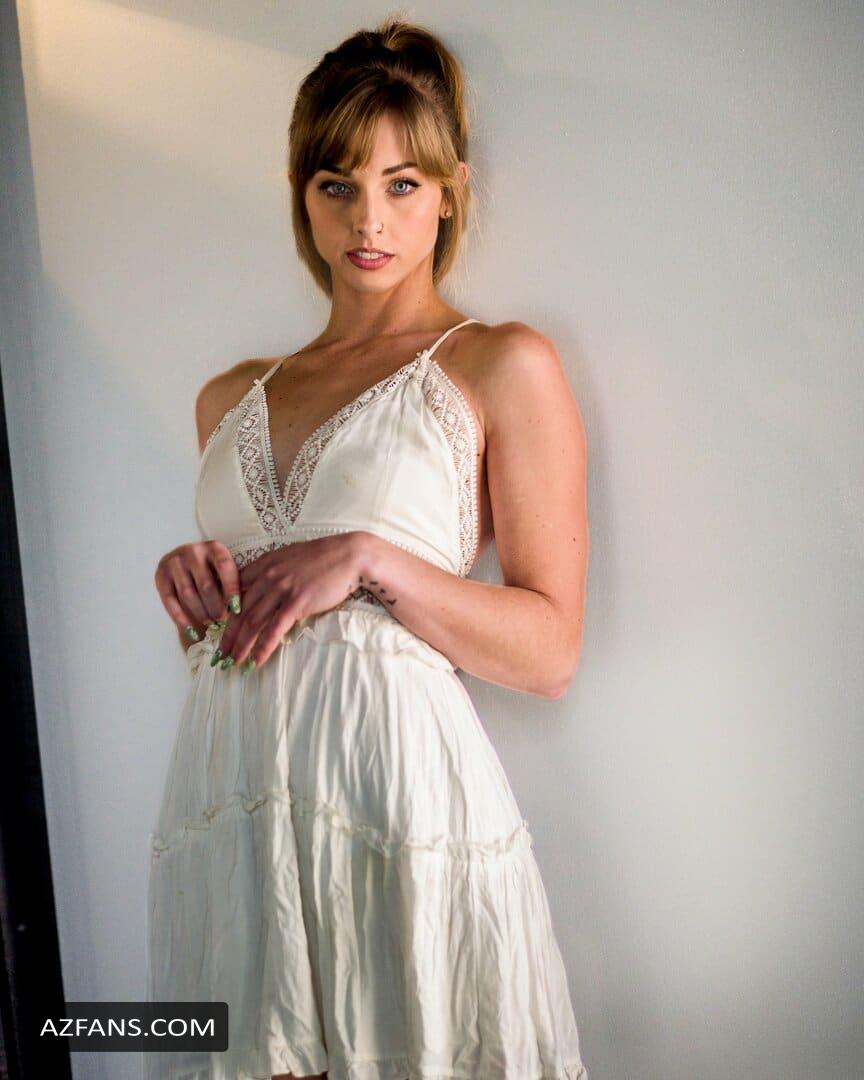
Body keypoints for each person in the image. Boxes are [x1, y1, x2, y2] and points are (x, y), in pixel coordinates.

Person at [147, 15, 590, 1080]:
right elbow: (255, 632)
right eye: (337, 184)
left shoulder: (499, 363)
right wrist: (192, 585)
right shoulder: (227, 396)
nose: (368, 219)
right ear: (300, 194)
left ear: (452, 191)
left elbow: (550, 652)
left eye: (402, 183)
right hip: (233, 807)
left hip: (394, 807)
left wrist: (372, 559)